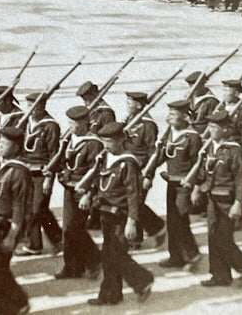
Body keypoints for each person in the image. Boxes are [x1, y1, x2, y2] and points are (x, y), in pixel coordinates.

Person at [81, 122, 154, 306]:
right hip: (107, 214)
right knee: (108, 255)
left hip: (121, 216)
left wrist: (132, 221)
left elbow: (133, 195)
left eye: (110, 141)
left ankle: (142, 280)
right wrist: (89, 195)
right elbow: (97, 180)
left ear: (121, 140)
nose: (106, 145)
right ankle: (111, 294)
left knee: (116, 255)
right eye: (104, 141)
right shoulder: (105, 158)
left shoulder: (128, 163)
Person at [191, 111, 242, 287]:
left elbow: (240, 178)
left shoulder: (234, 150)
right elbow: (204, 171)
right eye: (209, 126)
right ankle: (220, 275)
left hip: (227, 200)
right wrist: (196, 188)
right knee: (212, 236)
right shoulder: (210, 148)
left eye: (214, 127)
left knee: (223, 238)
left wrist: (238, 203)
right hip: (211, 199)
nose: (210, 130)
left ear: (225, 129)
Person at [51, 106, 101, 279]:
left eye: (73, 123)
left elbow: (97, 171)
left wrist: (89, 194)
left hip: (83, 190)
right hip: (69, 188)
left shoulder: (93, 143)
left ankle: (95, 261)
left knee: (75, 228)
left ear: (84, 123)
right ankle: (72, 266)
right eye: (69, 122)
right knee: (67, 229)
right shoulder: (69, 139)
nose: (70, 126)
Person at [152, 99, 201, 271]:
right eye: (169, 113)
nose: (169, 117)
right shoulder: (170, 133)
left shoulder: (192, 137)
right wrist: (147, 170)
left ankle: (192, 254)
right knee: (172, 220)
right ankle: (176, 256)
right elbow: (163, 156)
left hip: (185, 185)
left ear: (184, 116)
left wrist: (196, 188)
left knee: (180, 219)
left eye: (173, 114)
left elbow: (198, 165)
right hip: (171, 183)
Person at [0, 126, 32, 315]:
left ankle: (16, 304)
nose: (0, 147)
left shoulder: (18, 172)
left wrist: (13, 235)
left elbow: (19, 206)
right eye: (0, 143)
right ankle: (7, 305)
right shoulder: (1, 164)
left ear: (15, 147)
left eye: (5, 144)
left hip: (8, 225)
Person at [17, 92, 62, 256]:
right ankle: (36, 244)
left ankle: (56, 238)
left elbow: (55, 154)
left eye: (35, 106)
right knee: (32, 208)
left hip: (42, 172)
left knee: (37, 208)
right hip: (26, 171)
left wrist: (49, 179)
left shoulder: (50, 126)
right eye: (29, 106)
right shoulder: (24, 122)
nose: (31, 110)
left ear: (43, 107)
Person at [123, 92, 166, 248]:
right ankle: (136, 238)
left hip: (141, 170)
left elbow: (153, 153)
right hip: (129, 168)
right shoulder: (130, 120)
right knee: (132, 203)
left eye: (130, 103)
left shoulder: (148, 125)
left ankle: (157, 227)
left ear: (139, 106)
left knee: (136, 204)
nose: (127, 106)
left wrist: (148, 175)